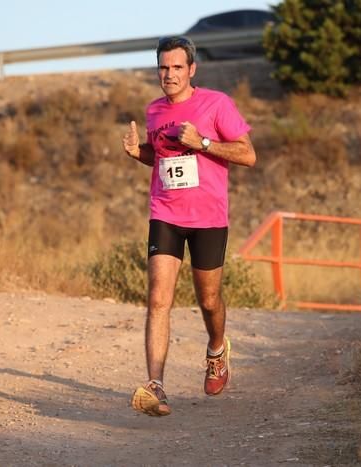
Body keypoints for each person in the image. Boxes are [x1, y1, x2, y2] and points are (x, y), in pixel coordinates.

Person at [122, 36, 256, 417]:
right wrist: (137, 153)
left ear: (191, 70)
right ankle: (156, 387)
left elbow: (248, 154)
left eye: (177, 67)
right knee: (158, 298)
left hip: (209, 218)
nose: (169, 74)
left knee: (208, 300)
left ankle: (216, 349)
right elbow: (159, 157)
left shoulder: (216, 103)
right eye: (164, 67)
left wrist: (203, 141)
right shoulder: (153, 110)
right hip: (165, 212)